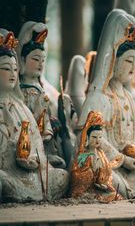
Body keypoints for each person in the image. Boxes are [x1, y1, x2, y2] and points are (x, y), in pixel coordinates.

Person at [77, 9, 135, 198]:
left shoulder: (129, 97)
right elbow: (91, 141)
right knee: (111, 181)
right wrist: (122, 159)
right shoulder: (99, 97)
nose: (133, 68)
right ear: (112, 61)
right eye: (128, 61)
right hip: (110, 164)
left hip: (131, 167)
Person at [0, 29, 68, 202]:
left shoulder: (20, 106)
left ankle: (33, 193)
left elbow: (36, 140)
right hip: (8, 169)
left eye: (15, 69)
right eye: (7, 68)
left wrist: (34, 158)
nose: (13, 73)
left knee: (62, 177)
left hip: (31, 170)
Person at [17, 22, 65, 168]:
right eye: (36, 59)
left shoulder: (39, 89)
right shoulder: (20, 89)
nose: (40, 64)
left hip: (43, 137)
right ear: (23, 60)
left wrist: (50, 123)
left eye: (43, 60)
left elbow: (44, 117)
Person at [71, 111, 123, 203]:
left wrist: (105, 184)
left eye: (100, 137)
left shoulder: (101, 154)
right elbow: (79, 177)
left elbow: (107, 174)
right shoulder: (84, 156)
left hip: (98, 190)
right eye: (94, 137)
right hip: (84, 190)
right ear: (87, 137)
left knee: (116, 196)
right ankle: (84, 196)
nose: (97, 140)